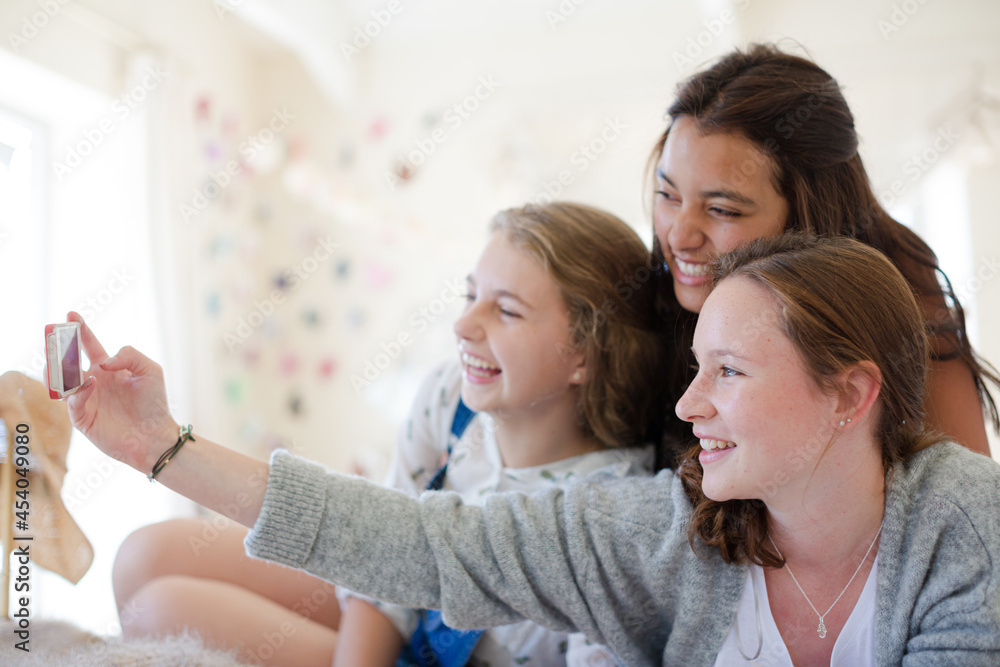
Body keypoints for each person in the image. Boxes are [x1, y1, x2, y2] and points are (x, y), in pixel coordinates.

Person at [67, 234, 1000, 666]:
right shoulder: (663, 528)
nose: (690, 400)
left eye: (731, 372)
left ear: (851, 393)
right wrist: (162, 446)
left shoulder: (964, 527)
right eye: (695, 365)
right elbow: (423, 539)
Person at [105, 202, 668, 666]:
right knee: (145, 555)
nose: (464, 325)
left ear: (587, 355)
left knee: (158, 611)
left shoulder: (611, 518)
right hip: (395, 593)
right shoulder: (451, 397)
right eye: (471, 296)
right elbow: (384, 553)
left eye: (508, 312)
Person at [647, 43, 998, 462]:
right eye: (667, 195)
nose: (680, 236)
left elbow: (968, 499)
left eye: (722, 209)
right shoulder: (648, 297)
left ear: (808, 215)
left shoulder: (904, 290)